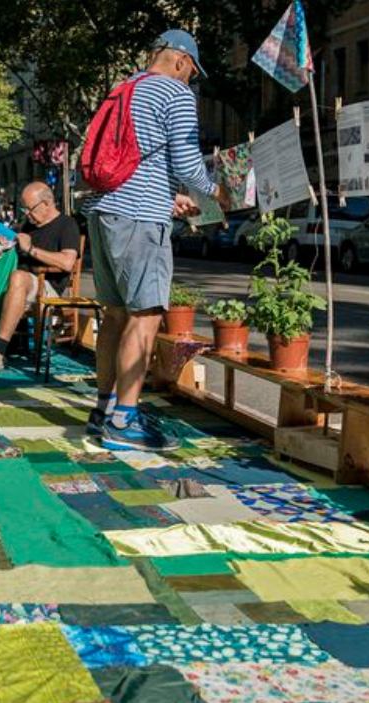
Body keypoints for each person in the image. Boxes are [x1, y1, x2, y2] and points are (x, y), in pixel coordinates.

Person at [85, 29, 227, 452]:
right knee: (144, 315)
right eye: (192, 74)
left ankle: (103, 409)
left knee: (113, 315)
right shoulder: (175, 95)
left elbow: (137, 161)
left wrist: (169, 198)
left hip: (105, 210)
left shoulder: (124, 89)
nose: (191, 82)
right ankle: (124, 422)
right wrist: (218, 191)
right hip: (138, 219)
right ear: (181, 61)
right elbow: (186, 160)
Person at [0, 181, 80, 373]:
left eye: (29, 209)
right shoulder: (28, 225)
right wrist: (5, 244)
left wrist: (30, 249)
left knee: (18, 278)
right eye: (24, 209)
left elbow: (67, 262)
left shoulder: (67, 224)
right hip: (20, 281)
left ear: (46, 203)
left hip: (45, 284)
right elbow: (18, 247)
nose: (26, 214)